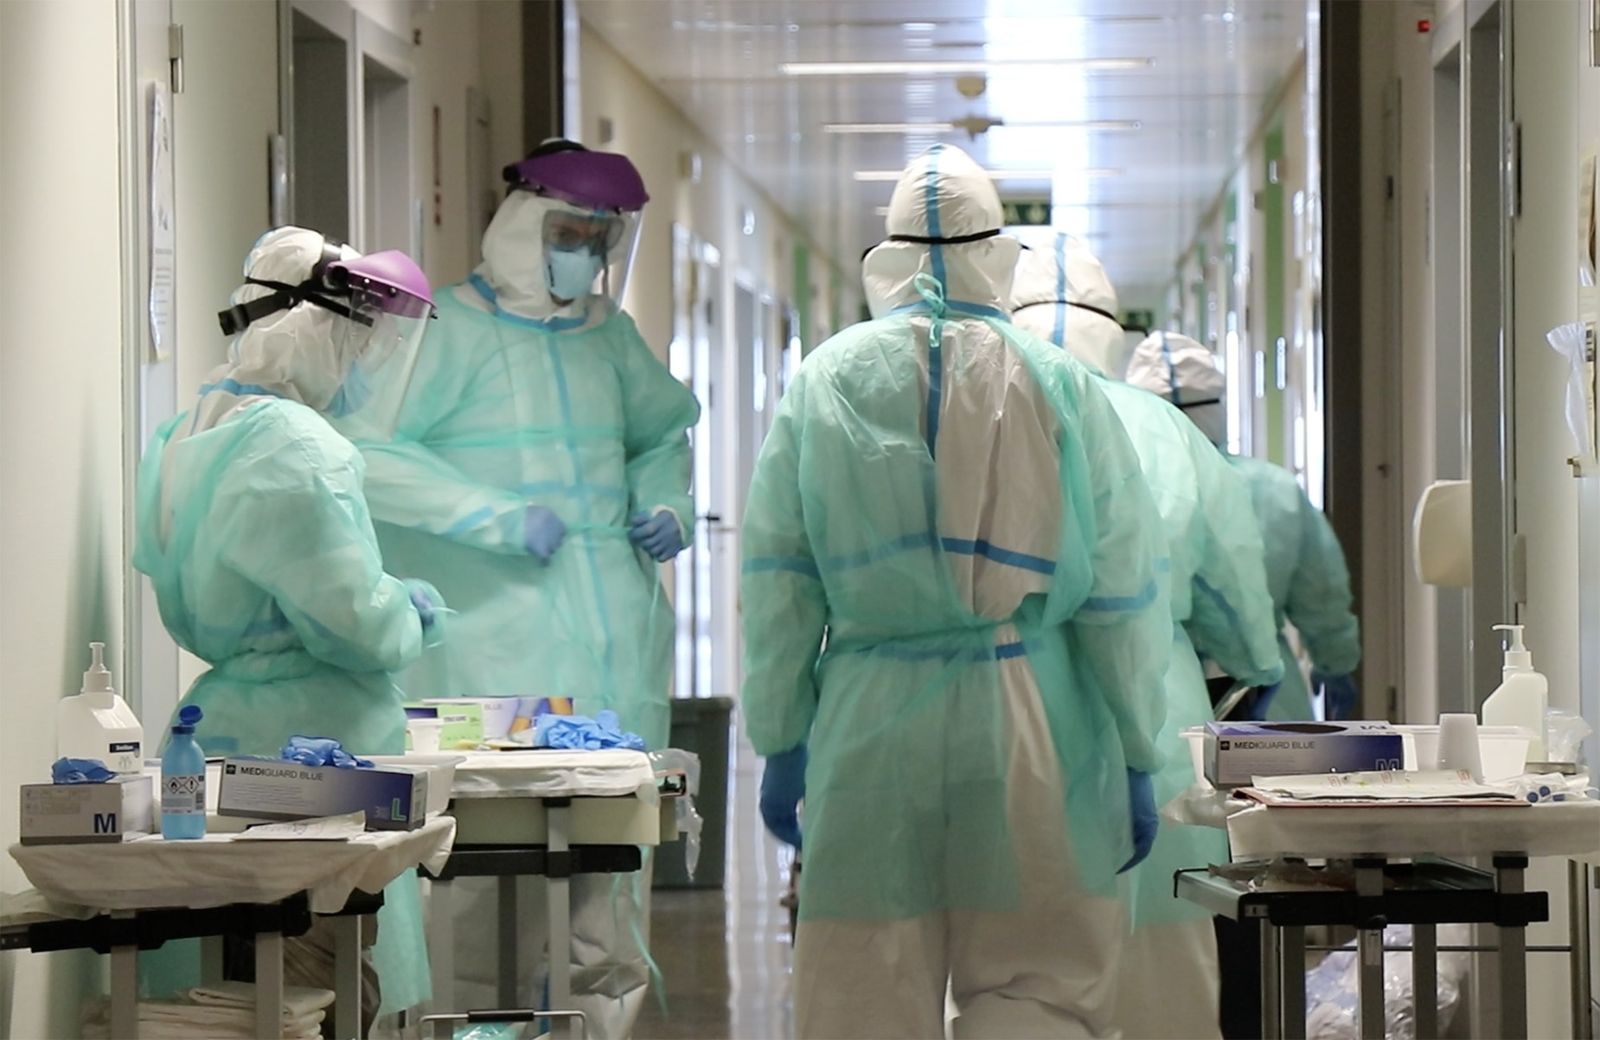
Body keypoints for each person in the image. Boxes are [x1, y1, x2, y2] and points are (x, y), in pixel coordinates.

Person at [742, 144, 1171, 1039]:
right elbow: (1120, 586)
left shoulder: (827, 379)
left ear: (887, 256)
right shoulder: (1057, 384)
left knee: (865, 981)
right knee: (1037, 976)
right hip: (1025, 711)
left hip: (868, 718)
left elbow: (780, 580)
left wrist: (782, 735)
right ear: (999, 253)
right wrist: (1136, 744)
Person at [352, 139, 699, 1035]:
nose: (581, 250)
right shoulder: (445, 332)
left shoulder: (608, 341)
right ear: (520, 221)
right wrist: (492, 517)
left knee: (608, 890)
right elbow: (372, 455)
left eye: (597, 235)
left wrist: (668, 503)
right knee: (474, 890)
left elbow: (664, 432)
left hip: (616, 661)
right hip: (489, 667)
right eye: (568, 229)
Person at [133, 226, 444, 1031]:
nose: (366, 363)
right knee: (324, 992)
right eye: (358, 339)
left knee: (227, 995)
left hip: (219, 734)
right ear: (316, 328)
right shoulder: (299, 447)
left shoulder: (191, 428)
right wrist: (407, 612)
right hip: (317, 756)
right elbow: (353, 623)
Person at [1011, 234, 1283, 1039]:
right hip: (1155, 704)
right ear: (1112, 329)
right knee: (1164, 964)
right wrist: (1258, 665)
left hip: (1004, 696)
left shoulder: (976, 413)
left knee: (1013, 963)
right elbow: (1235, 589)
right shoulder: (1167, 430)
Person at [1125, 331, 1362, 723]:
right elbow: (1322, 596)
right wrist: (1336, 663)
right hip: (1265, 694)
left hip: (1158, 688)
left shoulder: (1125, 489)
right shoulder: (1274, 489)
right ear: (1218, 407)